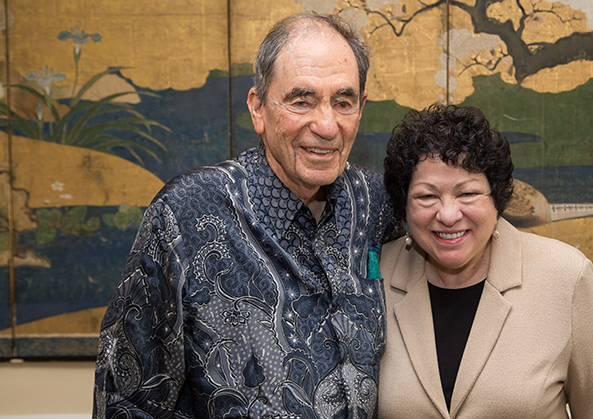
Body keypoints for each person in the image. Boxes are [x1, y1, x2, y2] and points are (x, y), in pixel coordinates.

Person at [93, 12, 397, 419]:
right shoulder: (186, 214)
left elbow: (463, 228)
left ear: (361, 108)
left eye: (342, 102)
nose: (326, 125)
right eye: (301, 100)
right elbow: (127, 401)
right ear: (258, 108)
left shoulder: (375, 203)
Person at [378, 104, 593, 418]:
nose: (449, 215)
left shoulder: (567, 278)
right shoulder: (374, 279)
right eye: (427, 196)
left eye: (467, 194)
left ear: (497, 198)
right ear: (405, 205)